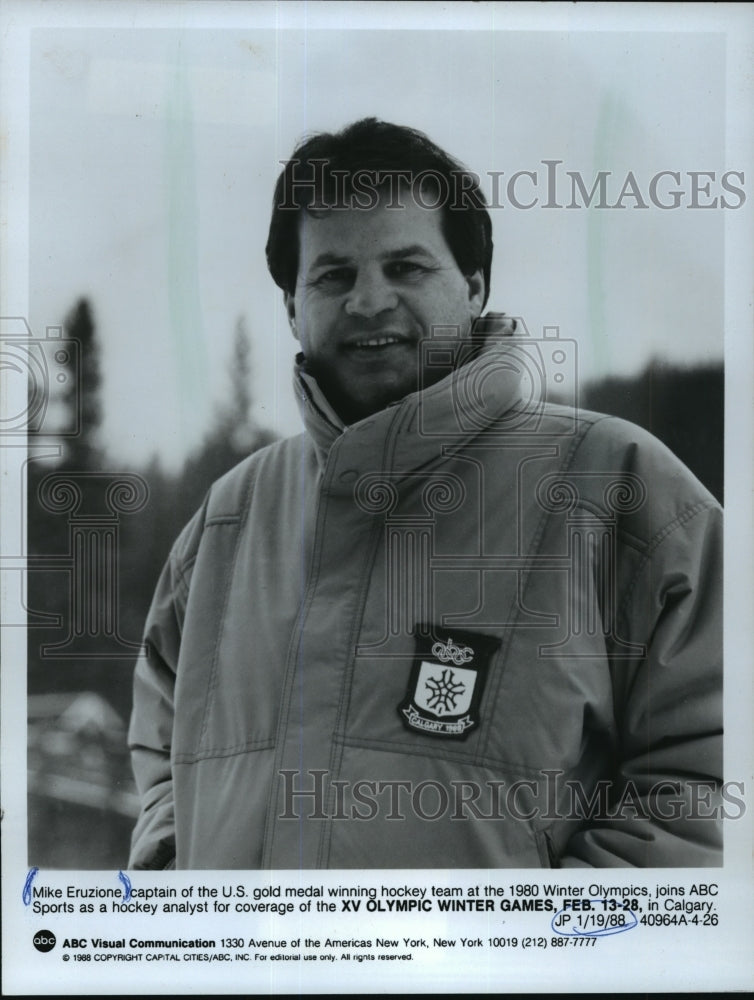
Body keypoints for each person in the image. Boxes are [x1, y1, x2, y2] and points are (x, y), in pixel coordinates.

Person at [127, 118, 723, 870]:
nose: (369, 301)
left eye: (407, 268)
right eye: (333, 276)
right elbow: (158, 732)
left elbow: (713, 775)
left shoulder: (620, 486)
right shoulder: (230, 517)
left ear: (473, 286)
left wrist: (557, 955)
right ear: (290, 306)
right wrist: (170, 879)